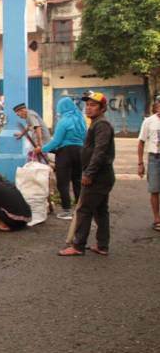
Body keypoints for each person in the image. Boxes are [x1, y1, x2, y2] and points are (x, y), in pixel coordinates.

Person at [59, 91, 115, 257]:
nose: (88, 108)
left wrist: (89, 173)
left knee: (84, 210)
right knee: (100, 210)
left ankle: (78, 246)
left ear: (102, 108)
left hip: (98, 176)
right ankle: (102, 245)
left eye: (93, 105)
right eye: (87, 105)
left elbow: (100, 151)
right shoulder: (96, 123)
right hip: (101, 175)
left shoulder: (102, 125)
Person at [36, 97, 87, 220]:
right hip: (80, 152)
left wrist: (41, 149)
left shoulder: (64, 121)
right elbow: (86, 138)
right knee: (77, 181)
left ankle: (67, 210)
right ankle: (79, 209)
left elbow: (56, 142)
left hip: (65, 153)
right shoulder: (81, 119)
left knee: (63, 183)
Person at [137, 96, 160, 231]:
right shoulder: (149, 122)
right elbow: (141, 142)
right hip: (154, 158)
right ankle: (157, 219)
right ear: (157, 106)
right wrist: (140, 163)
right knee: (155, 190)